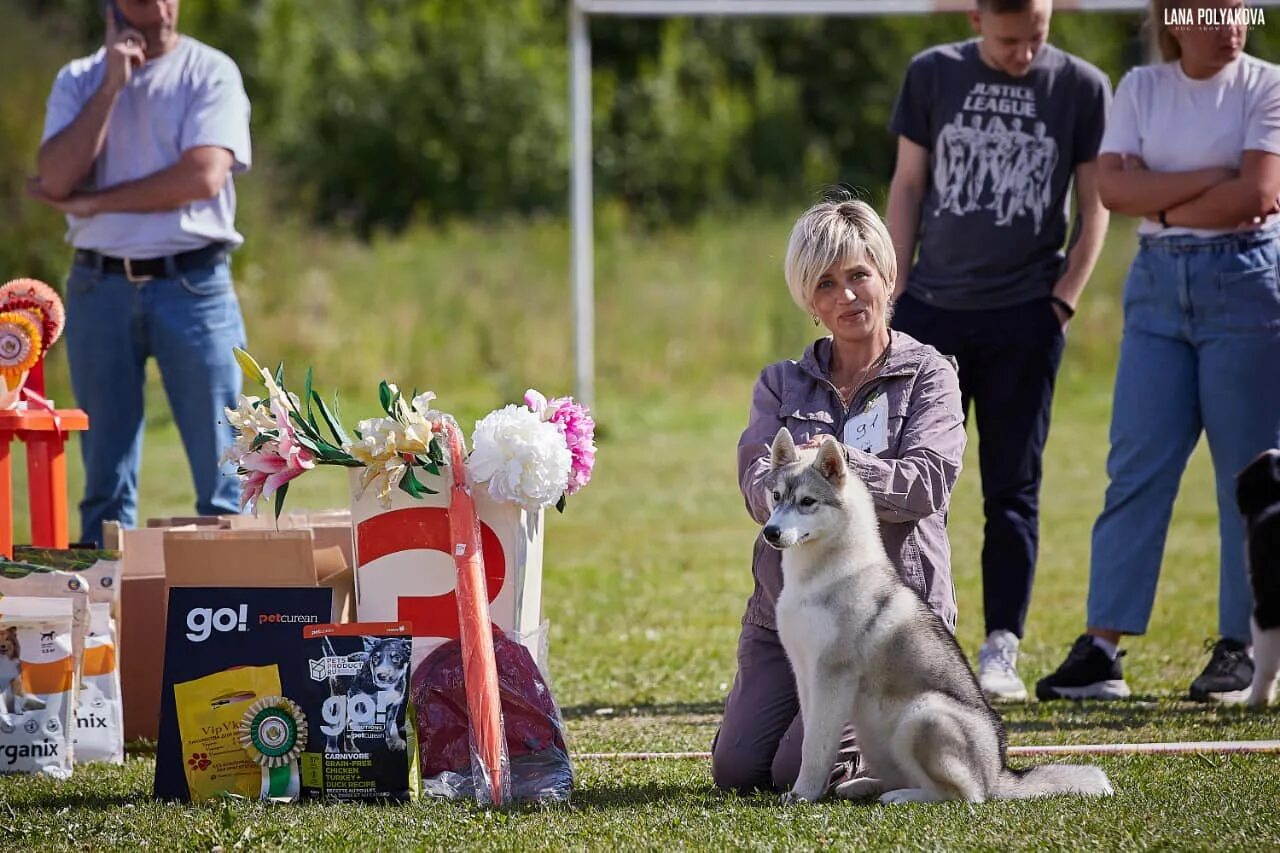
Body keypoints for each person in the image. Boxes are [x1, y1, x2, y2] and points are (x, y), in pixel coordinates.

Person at [1036, 0, 1280, 704]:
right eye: (1213, 9)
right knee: (1136, 463)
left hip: (1249, 284)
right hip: (1156, 291)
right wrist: (1213, 182)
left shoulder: (1266, 84)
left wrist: (1162, 198)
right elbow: (1115, 188)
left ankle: (1242, 646)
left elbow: (1259, 194)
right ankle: (1103, 648)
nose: (1232, 21)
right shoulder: (1141, 89)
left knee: (1252, 476)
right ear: (1173, 19)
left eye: (1240, 7)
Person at [885, 0, 1112, 702]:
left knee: (1013, 488)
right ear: (978, 16)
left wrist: (1064, 298)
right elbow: (909, 185)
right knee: (917, 487)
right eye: (1010, 39)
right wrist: (894, 297)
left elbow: (1095, 202)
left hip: (1025, 314)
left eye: (1036, 37)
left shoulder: (1081, 85)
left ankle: (999, 650)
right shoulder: (932, 74)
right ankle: (914, 642)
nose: (1023, 53)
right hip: (932, 312)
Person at [711, 198, 966, 795]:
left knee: (789, 773)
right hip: (787, 615)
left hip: (884, 625)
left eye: (858, 276)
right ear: (809, 300)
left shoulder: (930, 375)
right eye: (826, 284)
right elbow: (757, 485)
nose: (846, 296)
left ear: (886, 276)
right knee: (737, 772)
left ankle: (899, 744)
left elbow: (926, 484)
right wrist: (789, 484)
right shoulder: (780, 383)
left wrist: (839, 469)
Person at [27, 0, 251, 546]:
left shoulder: (210, 70)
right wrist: (110, 86)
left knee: (225, 476)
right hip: (98, 286)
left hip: (193, 285)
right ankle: (108, 617)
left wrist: (95, 203)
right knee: (102, 483)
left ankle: (228, 616)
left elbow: (202, 176)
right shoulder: (80, 79)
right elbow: (55, 179)